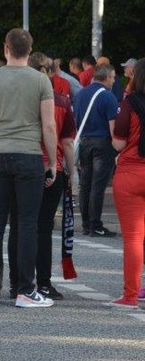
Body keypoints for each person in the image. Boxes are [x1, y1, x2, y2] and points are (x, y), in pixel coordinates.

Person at [0, 28, 57, 308]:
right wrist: (53, 162)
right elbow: (48, 125)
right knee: (26, 223)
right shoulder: (41, 81)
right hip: (29, 155)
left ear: (5, 48)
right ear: (30, 50)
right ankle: (24, 289)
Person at [7, 53, 75, 301]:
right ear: (49, 72)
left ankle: (17, 283)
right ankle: (44, 283)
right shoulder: (61, 101)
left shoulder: (16, 99)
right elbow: (67, 142)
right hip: (51, 166)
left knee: (18, 225)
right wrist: (71, 173)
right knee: (43, 228)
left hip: (20, 164)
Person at [109, 58, 145, 309]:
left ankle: (131, 295)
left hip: (131, 173)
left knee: (133, 238)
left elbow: (119, 143)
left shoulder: (128, 104)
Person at [73, 62, 119, 237]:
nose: (114, 81)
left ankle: (86, 224)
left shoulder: (80, 94)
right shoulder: (108, 97)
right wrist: (117, 149)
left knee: (85, 185)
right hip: (102, 143)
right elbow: (112, 126)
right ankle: (96, 225)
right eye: (113, 77)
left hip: (84, 142)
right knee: (98, 186)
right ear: (106, 77)